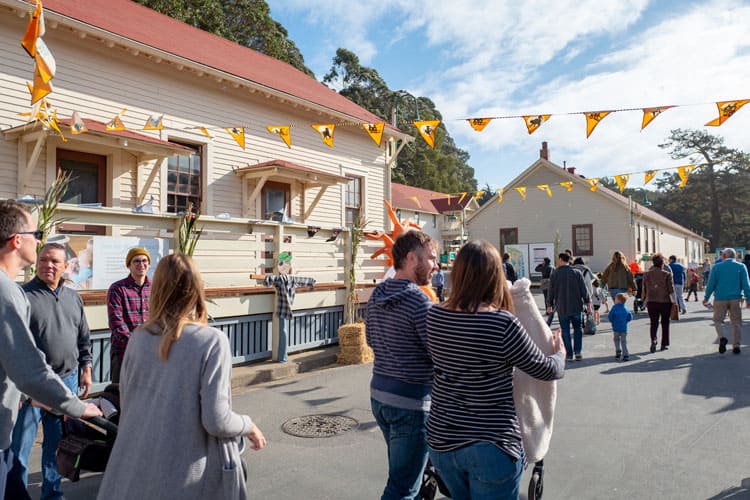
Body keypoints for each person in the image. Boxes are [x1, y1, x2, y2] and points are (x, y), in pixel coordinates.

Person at [96, 253, 266, 500]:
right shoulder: (211, 341)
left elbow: (130, 405)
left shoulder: (138, 339)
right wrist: (248, 425)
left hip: (135, 471)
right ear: (197, 290)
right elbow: (217, 420)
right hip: (187, 477)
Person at [425, 240, 565, 499]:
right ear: (495, 276)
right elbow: (544, 369)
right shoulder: (501, 323)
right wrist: (559, 354)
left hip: (442, 441)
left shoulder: (434, 316)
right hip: (492, 444)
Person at [0, 200, 101, 500]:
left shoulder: (71, 297)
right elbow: (29, 370)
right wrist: (79, 407)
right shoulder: (11, 293)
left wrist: (84, 368)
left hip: (49, 387)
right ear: (18, 240)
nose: (41, 242)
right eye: (38, 233)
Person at [365, 231, 438, 500]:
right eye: (431, 258)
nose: (436, 265)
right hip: (412, 406)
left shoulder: (377, 295)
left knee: (406, 476)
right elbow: (438, 353)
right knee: (402, 487)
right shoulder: (420, 302)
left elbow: (371, 340)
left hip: (380, 398)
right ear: (410, 258)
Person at [107, 247, 152, 383]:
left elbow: (160, 319)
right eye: (136, 261)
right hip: (124, 353)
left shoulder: (155, 288)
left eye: (144, 261)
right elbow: (117, 324)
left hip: (150, 353)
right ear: (129, 265)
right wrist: (138, 345)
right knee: (121, 395)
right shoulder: (118, 289)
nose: (141, 264)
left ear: (149, 264)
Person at [262, 252, 315, 362]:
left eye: (287, 264)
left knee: (283, 331)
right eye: (282, 264)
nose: (285, 266)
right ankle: (283, 356)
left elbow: (303, 280)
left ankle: (283, 357)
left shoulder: (289, 279)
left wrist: (311, 282)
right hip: (285, 309)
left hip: (284, 309)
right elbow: (268, 281)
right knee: (283, 331)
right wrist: (311, 282)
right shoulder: (282, 279)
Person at [703, 248, 750, 354]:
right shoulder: (741, 267)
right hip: (736, 298)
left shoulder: (716, 267)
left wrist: (706, 298)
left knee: (717, 321)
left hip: (720, 298)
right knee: (736, 322)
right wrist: (748, 298)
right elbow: (746, 284)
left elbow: (711, 285)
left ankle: (722, 337)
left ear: (724, 256)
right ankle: (736, 345)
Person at [546, 252, 591, 362]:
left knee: (565, 330)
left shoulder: (555, 274)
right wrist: (588, 303)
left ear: (561, 259)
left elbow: (550, 291)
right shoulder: (577, 272)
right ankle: (578, 352)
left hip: (562, 306)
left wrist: (549, 305)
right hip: (576, 306)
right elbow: (584, 290)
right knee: (578, 329)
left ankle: (569, 355)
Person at [642, 253, 675, 353]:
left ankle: (654, 340)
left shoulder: (647, 274)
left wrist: (644, 300)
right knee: (665, 323)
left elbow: (644, 288)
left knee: (653, 323)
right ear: (662, 264)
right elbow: (671, 290)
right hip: (665, 302)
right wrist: (674, 302)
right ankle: (664, 343)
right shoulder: (667, 274)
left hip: (651, 301)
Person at [608, 293, 633, 361]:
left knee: (616, 339)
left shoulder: (614, 308)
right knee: (624, 342)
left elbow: (610, 316)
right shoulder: (626, 308)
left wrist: (612, 321)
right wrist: (626, 321)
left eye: (615, 299)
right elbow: (630, 317)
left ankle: (618, 350)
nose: (614, 300)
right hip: (624, 328)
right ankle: (626, 355)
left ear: (618, 300)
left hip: (616, 327)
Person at [535, 257, 555, 326]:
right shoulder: (552, 267)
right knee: (551, 296)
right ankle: (552, 309)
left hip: (544, 282)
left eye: (543, 261)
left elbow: (536, 269)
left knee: (546, 296)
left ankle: (547, 310)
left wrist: (541, 264)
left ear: (545, 261)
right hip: (551, 281)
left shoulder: (544, 267)